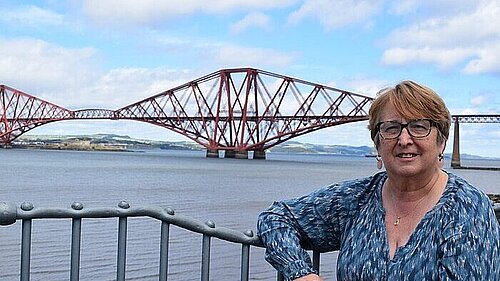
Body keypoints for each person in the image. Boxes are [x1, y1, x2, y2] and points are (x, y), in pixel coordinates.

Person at [257, 80, 500, 280]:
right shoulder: (356, 199)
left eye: (419, 126)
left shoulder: (469, 209)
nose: (404, 139)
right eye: (391, 128)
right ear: (377, 144)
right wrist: (301, 273)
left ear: (441, 141)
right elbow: (276, 218)